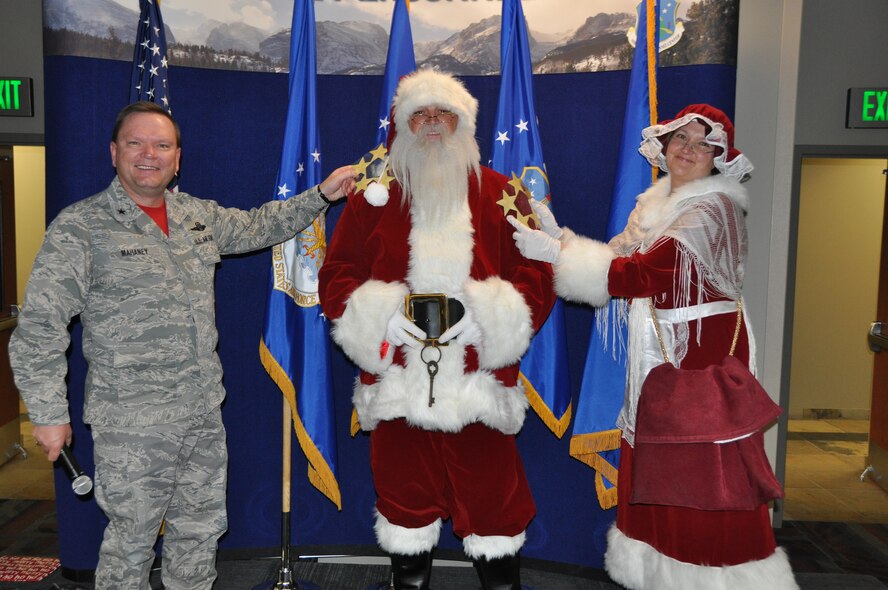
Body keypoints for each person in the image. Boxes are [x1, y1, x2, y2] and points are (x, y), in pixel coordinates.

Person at [9, 101, 356, 589]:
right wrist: (47, 412)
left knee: (199, 536)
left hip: (200, 415)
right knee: (131, 544)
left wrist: (322, 194)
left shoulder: (195, 215)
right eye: (135, 143)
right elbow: (40, 329)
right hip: (132, 423)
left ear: (178, 158)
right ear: (114, 152)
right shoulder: (81, 227)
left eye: (162, 145)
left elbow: (260, 225)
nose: (149, 154)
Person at [509, 104, 798, 589]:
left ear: (718, 157)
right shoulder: (656, 202)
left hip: (700, 359)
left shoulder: (712, 208)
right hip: (664, 356)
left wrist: (555, 254)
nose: (688, 150)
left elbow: (641, 274)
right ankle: (663, 572)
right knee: (663, 466)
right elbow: (618, 256)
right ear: (663, 146)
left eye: (702, 144)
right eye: (680, 139)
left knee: (701, 473)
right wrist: (557, 233)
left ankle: (715, 578)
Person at [318, 70, 555, 590]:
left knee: (495, 505)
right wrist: (385, 317)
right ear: (402, 125)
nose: (431, 125)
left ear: (462, 123)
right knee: (404, 504)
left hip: (479, 383)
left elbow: (537, 274)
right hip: (400, 380)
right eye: (419, 115)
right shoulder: (371, 199)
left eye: (442, 114)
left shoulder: (503, 194)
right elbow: (336, 276)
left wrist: (487, 319)